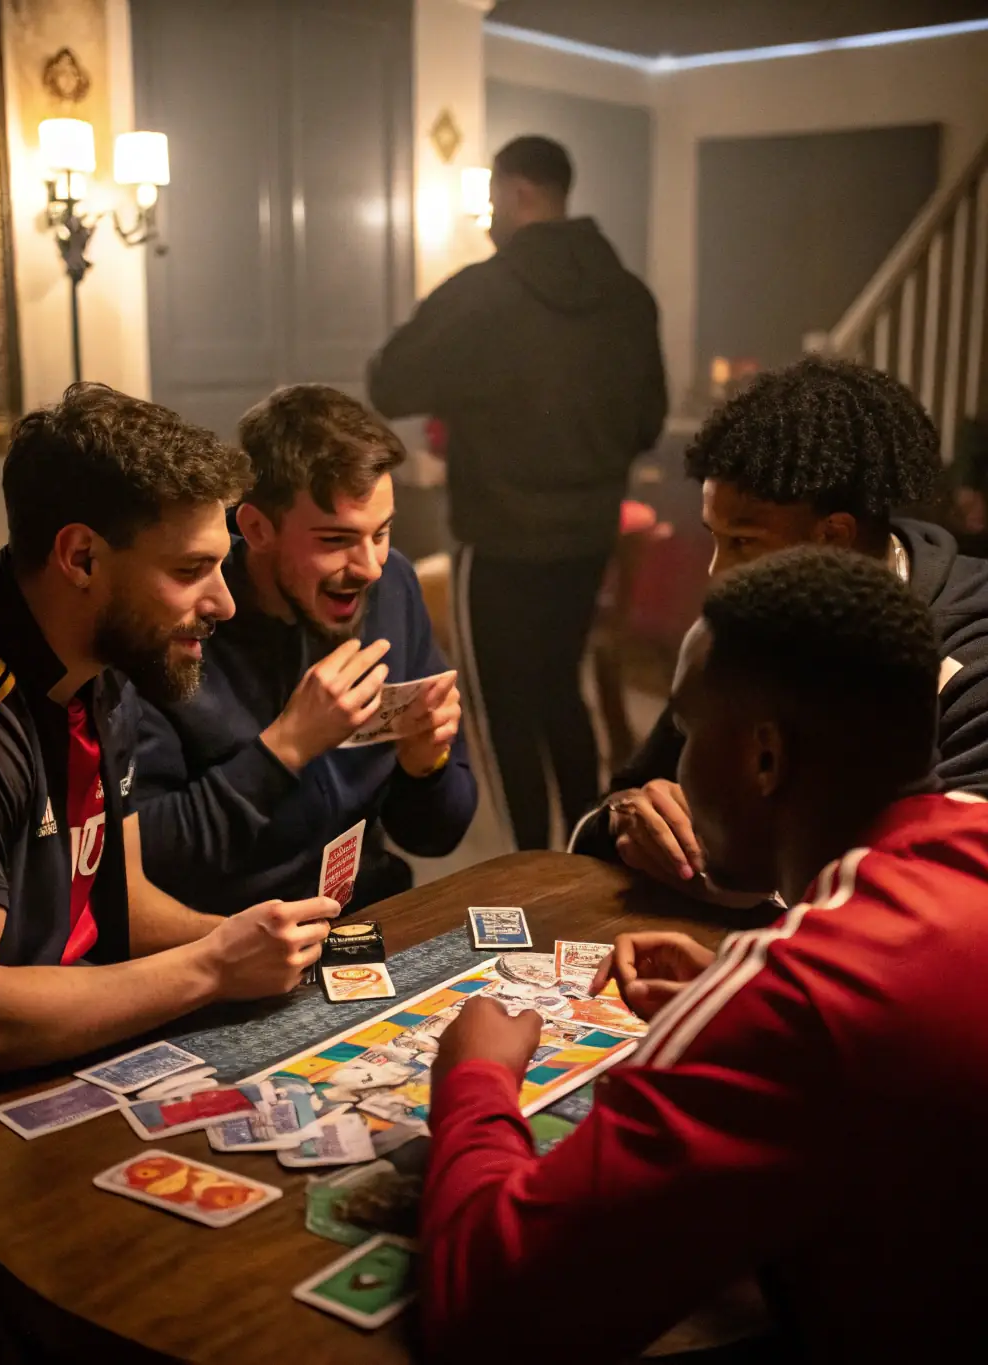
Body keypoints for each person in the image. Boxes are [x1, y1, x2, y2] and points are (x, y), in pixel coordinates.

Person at [422, 547, 988, 1364]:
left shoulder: (801, 994)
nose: (676, 764)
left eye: (686, 729)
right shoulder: (969, 829)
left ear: (765, 756)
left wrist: (476, 1077)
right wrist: (736, 993)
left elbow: (486, 1313)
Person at [0, 384, 336, 1081]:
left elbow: (112, 891)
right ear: (81, 558)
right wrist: (213, 965)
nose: (223, 601)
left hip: (70, 1054)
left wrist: (250, 942)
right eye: (190, 569)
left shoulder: (103, 663)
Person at [572, 357, 988, 899]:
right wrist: (628, 819)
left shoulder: (969, 664)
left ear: (834, 536)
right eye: (714, 538)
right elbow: (623, 800)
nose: (717, 574)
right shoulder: (754, 623)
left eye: (743, 543)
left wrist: (750, 876)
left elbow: (947, 896)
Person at [368, 135, 668, 851]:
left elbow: (390, 380)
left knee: (501, 712)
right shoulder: (628, 296)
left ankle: (529, 866)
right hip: (588, 531)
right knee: (560, 691)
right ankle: (590, 849)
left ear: (517, 191)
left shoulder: (484, 292)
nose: (489, 215)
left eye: (493, 197)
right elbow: (649, 421)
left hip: (498, 539)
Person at [134, 384, 476, 915]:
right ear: (256, 528)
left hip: (366, 912)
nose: (370, 566)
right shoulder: (179, 618)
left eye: (382, 532)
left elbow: (437, 835)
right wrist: (286, 747)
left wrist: (425, 766)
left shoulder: (393, 588)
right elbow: (146, 861)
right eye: (335, 540)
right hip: (232, 940)